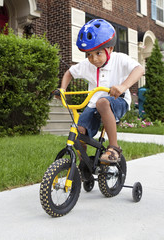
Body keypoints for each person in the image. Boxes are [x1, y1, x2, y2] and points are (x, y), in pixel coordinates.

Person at [60, 19, 144, 164]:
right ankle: (84, 165)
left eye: (98, 53)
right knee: (79, 129)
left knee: (103, 102)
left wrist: (123, 86)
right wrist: (62, 89)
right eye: (89, 55)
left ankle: (114, 148)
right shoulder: (87, 65)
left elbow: (140, 69)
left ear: (110, 49)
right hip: (93, 104)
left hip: (119, 101)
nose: (93, 59)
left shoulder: (119, 59)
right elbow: (69, 73)